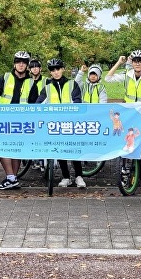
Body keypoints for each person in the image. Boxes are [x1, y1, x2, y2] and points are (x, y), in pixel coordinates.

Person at [105, 50, 141, 188]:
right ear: (132, 62)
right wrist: (119, 62)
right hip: (130, 114)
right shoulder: (127, 74)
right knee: (128, 142)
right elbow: (108, 78)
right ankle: (125, 170)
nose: (138, 63)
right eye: (135, 61)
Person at [0, 51, 39, 190]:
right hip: (4, 119)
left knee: (17, 150)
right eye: (18, 61)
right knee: (1, 148)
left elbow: (34, 104)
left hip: (21, 122)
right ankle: (11, 177)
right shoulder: (5, 77)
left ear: (27, 65)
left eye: (24, 62)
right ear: (14, 63)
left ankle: (12, 178)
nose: (21, 64)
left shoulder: (31, 83)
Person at [37, 58, 85, 188]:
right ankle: (66, 177)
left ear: (63, 69)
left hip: (70, 123)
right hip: (55, 125)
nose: (56, 72)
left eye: (58, 68)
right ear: (50, 72)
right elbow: (38, 104)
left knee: (74, 150)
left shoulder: (72, 84)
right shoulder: (47, 88)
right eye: (52, 70)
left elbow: (77, 101)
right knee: (60, 150)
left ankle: (79, 176)